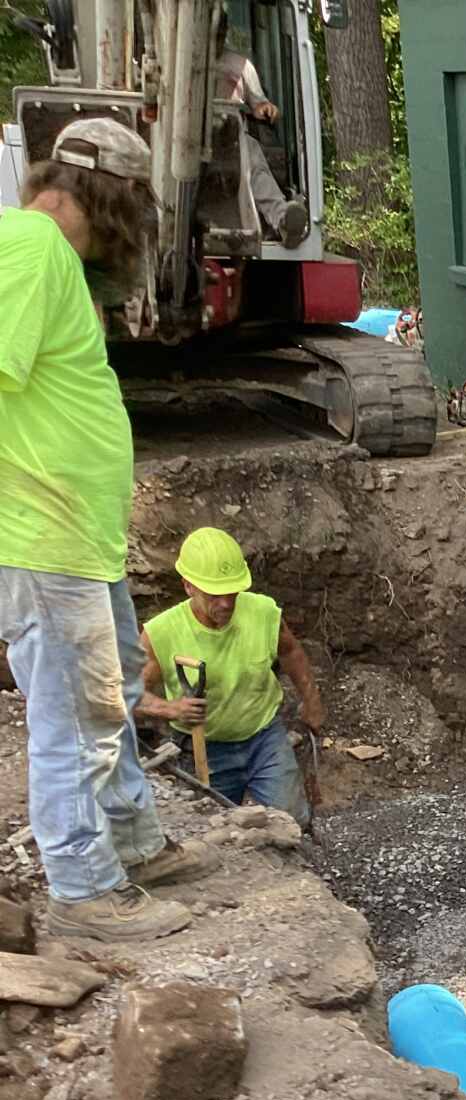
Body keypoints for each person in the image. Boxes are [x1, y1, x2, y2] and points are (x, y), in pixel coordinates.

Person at [0, 118, 219, 944]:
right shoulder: (29, 248)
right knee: (73, 717)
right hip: (40, 535)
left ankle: (133, 842)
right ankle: (85, 889)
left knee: (114, 694)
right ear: (112, 199)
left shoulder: (47, 261)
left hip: (77, 538)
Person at [136, 528, 324, 829]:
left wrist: (312, 702)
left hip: (264, 736)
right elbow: (125, 692)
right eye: (214, 594)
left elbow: (291, 653)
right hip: (203, 748)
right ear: (188, 586)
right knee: (216, 829)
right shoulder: (162, 633)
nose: (226, 603)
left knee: (292, 821)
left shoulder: (262, 612)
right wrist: (170, 709)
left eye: (232, 592)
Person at [216, 26, 310, 245]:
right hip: (187, 139)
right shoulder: (179, 60)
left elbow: (260, 104)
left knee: (252, 154)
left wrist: (265, 108)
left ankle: (283, 219)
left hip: (229, 137)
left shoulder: (240, 65)